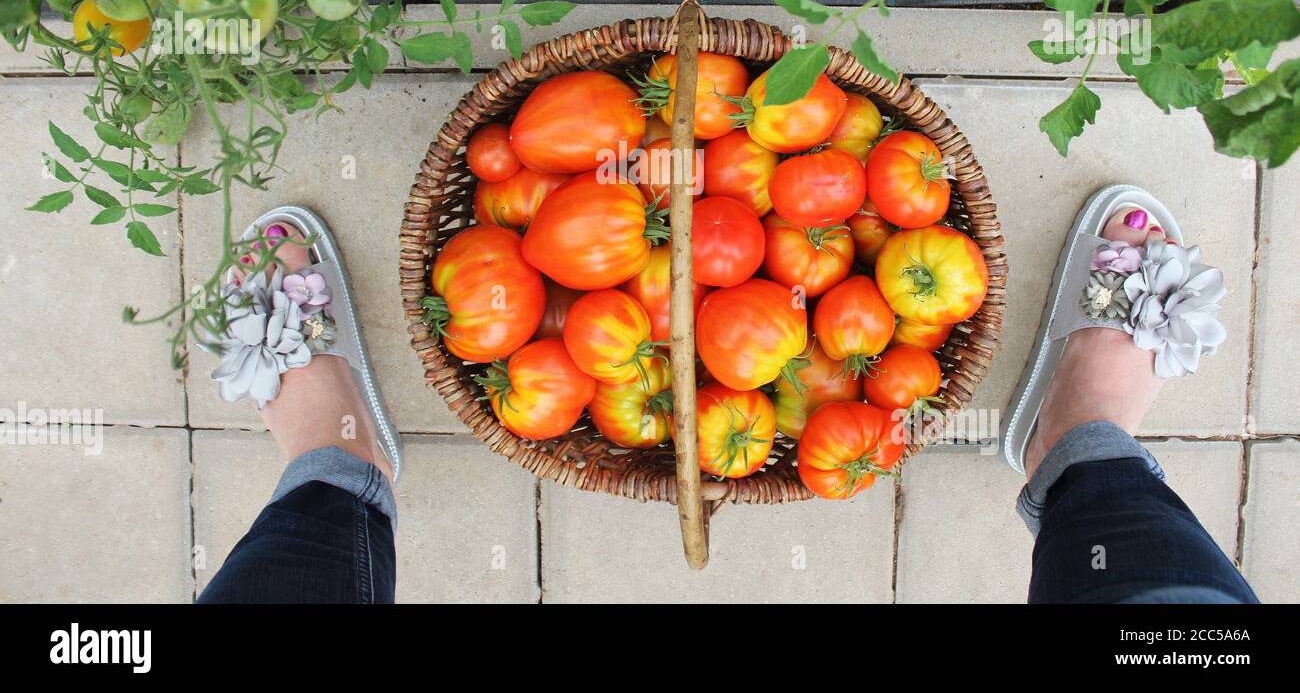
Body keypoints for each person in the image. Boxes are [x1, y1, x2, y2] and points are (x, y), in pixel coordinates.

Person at [198, 202, 1257, 604]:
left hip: (735, 313)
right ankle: (1083, 440)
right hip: (772, 306)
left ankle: (337, 470)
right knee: (1172, 617)